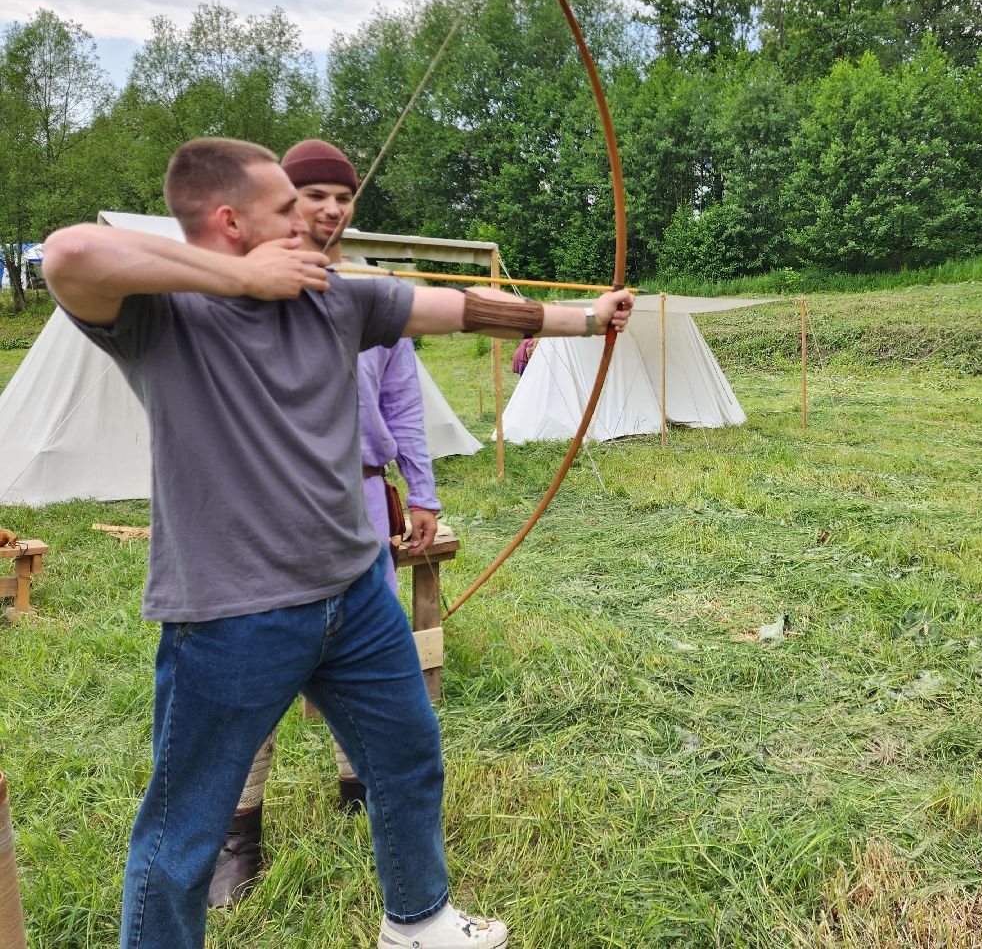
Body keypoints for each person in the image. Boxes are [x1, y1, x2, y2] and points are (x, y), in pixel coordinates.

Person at [42, 136, 632, 949]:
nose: (311, 219)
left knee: (408, 757)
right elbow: (70, 251)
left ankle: (417, 921)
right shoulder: (159, 317)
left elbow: (455, 308)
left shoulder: (337, 301)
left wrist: (585, 321)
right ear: (229, 221)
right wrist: (244, 279)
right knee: (184, 833)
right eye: (286, 208)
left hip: (355, 593)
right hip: (231, 616)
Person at [204, 139, 444, 907]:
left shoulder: (370, 297)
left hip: (363, 506)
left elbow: (402, 402)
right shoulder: (233, 291)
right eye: (314, 195)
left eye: (343, 196)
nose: (332, 209)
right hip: (266, 519)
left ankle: (359, 794)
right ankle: (238, 836)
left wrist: (424, 490)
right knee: (254, 682)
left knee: (363, 659)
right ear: (282, 201)